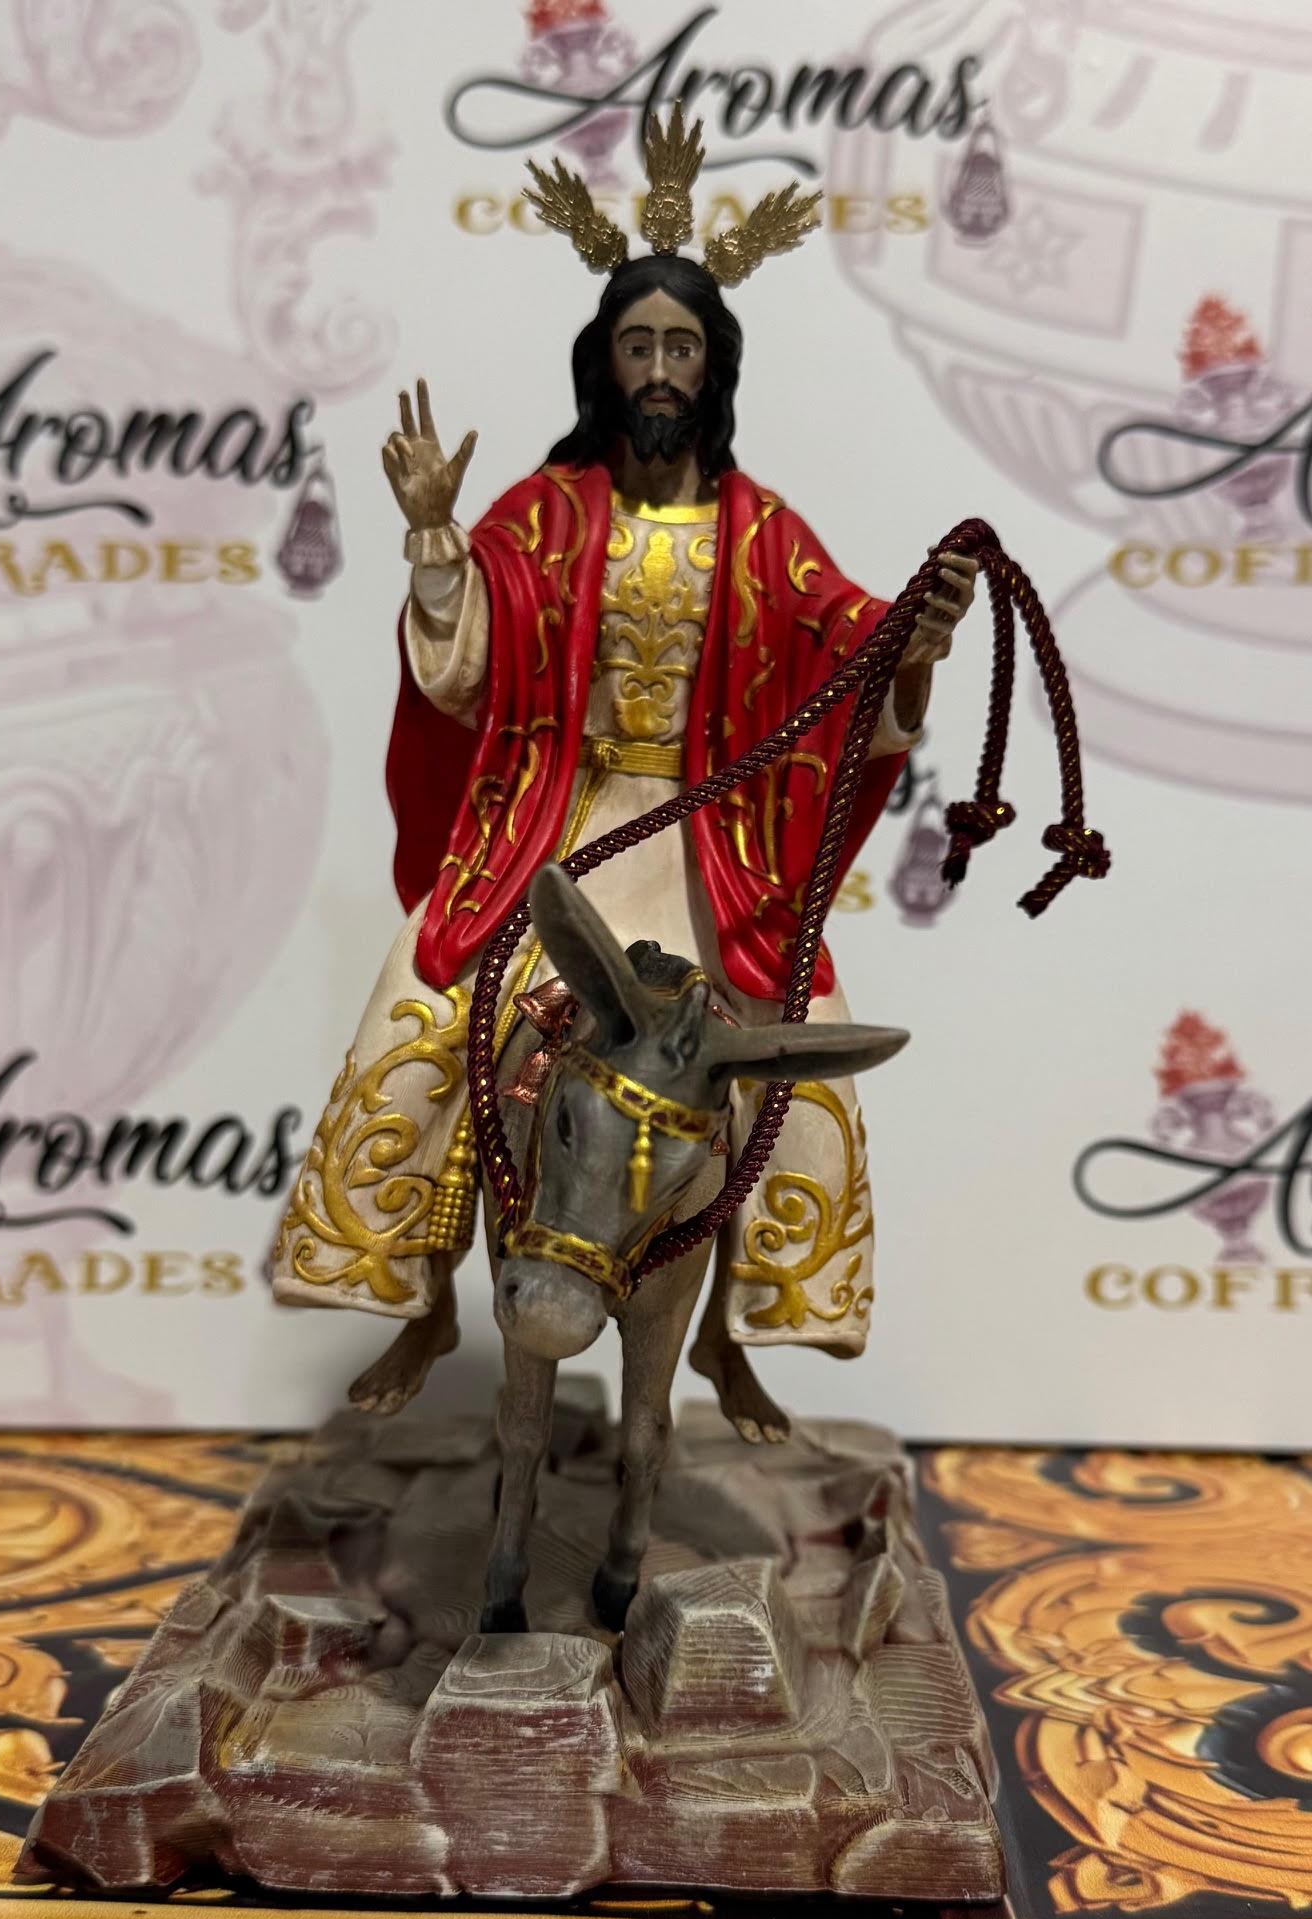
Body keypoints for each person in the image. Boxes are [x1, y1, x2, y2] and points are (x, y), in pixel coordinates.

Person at [269, 111, 976, 1439]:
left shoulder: (763, 532)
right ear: (606, 362)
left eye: (681, 347)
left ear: (714, 368)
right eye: (638, 345)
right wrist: (434, 539)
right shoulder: (545, 512)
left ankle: (727, 1333)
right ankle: (423, 1295)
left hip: (713, 853)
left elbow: (848, 651)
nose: (659, 370)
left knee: (792, 1062)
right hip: (557, 832)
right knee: (428, 1016)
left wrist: (914, 644)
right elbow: (461, 669)